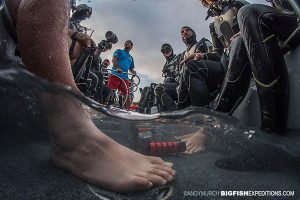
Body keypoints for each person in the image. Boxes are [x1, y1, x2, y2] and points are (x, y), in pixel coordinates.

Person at [1, 0, 175, 192]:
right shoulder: (118, 52)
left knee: (87, 62)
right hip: (113, 75)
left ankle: (86, 114)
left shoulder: (131, 57)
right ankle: (71, 130)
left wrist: (74, 34)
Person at [237, 0, 300, 133]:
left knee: (248, 12)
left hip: (294, 18)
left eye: (187, 30)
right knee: (239, 41)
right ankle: (218, 114)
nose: (184, 33)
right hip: (286, 23)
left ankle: (272, 127)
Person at [199, 0, 252, 113]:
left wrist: (245, 31)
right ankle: (199, 111)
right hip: (226, 60)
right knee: (193, 65)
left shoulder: (237, 3)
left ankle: (221, 109)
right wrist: (203, 55)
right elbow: (217, 51)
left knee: (237, 41)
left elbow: (254, 17)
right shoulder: (213, 25)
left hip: (248, 50)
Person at [177, 26, 225, 109]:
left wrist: (204, 55)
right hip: (188, 84)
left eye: (187, 30)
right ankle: (181, 111)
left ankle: (202, 111)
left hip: (211, 77)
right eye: (182, 32)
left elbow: (217, 56)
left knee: (190, 65)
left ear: (193, 33)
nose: (184, 32)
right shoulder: (182, 55)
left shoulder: (203, 42)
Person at [108, 40, 136, 109]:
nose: (126, 43)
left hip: (125, 77)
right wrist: (117, 68)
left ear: (131, 46)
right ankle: (107, 105)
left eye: (128, 43)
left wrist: (133, 72)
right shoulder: (119, 51)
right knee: (111, 90)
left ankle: (128, 111)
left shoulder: (131, 58)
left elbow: (131, 68)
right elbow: (114, 60)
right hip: (115, 74)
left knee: (127, 94)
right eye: (125, 42)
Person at [154, 43, 180, 112]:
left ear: (172, 50)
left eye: (167, 49)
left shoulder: (179, 57)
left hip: (178, 83)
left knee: (159, 87)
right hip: (169, 85)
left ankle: (174, 113)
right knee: (151, 88)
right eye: (163, 51)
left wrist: (171, 71)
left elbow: (182, 72)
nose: (165, 52)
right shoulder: (165, 64)